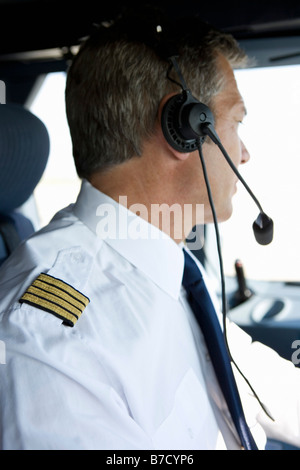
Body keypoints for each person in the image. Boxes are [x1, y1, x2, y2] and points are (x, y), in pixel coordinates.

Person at [0, 7, 300, 451]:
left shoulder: (166, 266)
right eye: (236, 122)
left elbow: (250, 373)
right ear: (183, 129)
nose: (245, 154)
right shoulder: (50, 343)